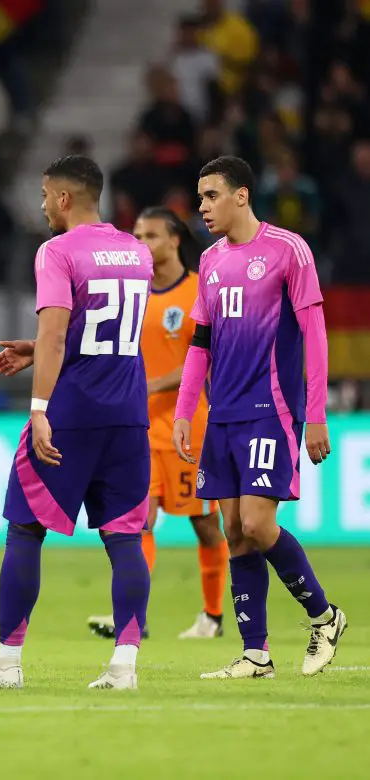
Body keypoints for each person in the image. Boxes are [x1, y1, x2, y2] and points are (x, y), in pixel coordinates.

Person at [0, 155, 154, 691]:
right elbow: (107, 329)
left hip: (71, 412)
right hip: (127, 413)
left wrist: (39, 409)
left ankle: (7, 663)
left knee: (24, 530)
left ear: (65, 198)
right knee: (124, 538)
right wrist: (40, 350)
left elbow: (56, 334)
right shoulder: (136, 250)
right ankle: (124, 667)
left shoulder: (56, 250)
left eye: (46, 195)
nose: (43, 205)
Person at [175, 156, 346, 679]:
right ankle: (256, 653)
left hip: (270, 409)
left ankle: (324, 616)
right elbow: (201, 342)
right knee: (233, 529)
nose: (202, 206)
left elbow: (314, 335)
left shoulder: (288, 250)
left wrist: (315, 414)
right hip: (222, 412)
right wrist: (186, 409)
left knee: (256, 521)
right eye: (200, 197)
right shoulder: (209, 261)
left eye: (210, 196)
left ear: (241, 195)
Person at [86, 206, 229, 641]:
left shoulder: (198, 292)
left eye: (150, 235)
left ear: (174, 241)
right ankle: (134, 618)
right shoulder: (132, 292)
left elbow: (204, 361)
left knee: (206, 525)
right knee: (136, 522)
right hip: (138, 431)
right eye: (137, 234)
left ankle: (213, 615)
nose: (141, 242)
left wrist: (147, 385)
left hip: (188, 429)